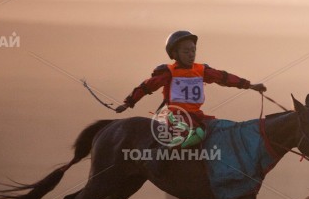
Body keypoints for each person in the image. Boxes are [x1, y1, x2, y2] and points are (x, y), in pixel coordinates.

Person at [114, 31, 267, 148]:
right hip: (177, 117)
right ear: (174, 54)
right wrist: (128, 103)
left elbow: (224, 78)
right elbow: (147, 86)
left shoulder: (201, 70)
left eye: (193, 50)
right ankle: (169, 155)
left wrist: (250, 86)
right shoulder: (169, 72)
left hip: (197, 116)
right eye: (186, 52)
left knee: (220, 130)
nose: (191, 55)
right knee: (197, 134)